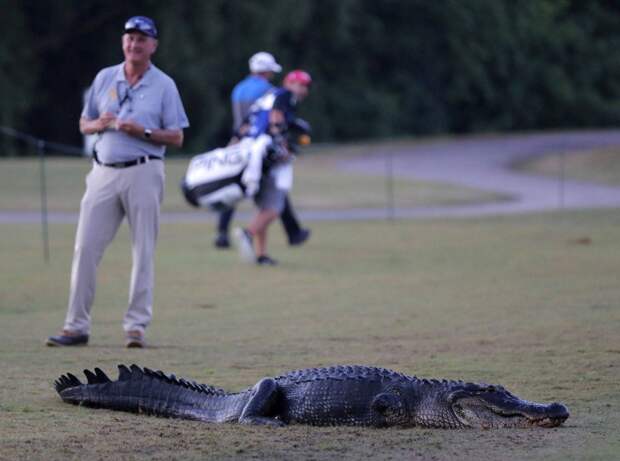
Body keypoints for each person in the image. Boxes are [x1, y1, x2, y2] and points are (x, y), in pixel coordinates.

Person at [46, 16, 189, 348]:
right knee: (84, 248)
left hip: (144, 170)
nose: (133, 44)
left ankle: (136, 327)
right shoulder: (105, 77)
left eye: (141, 39)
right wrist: (99, 124)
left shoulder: (164, 85)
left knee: (143, 250)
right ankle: (75, 326)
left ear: (153, 45)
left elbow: (178, 136)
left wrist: (143, 132)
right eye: (129, 38)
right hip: (103, 171)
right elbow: (84, 123)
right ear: (122, 42)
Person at [214, 52, 310, 249]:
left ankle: (223, 233)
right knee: (273, 197)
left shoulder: (238, 89)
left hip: (241, 141)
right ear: (266, 71)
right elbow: (273, 119)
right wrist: (280, 140)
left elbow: (243, 121)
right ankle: (263, 234)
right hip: (261, 148)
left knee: (234, 189)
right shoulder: (272, 91)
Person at [233, 69, 312, 266]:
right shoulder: (284, 95)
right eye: (300, 85)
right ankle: (247, 234)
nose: (303, 90)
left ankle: (262, 255)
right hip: (266, 156)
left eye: (306, 86)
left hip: (251, 153)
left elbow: (243, 127)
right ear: (289, 83)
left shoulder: (266, 96)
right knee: (274, 207)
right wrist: (278, 140)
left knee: (264, 207)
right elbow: (276, 116)